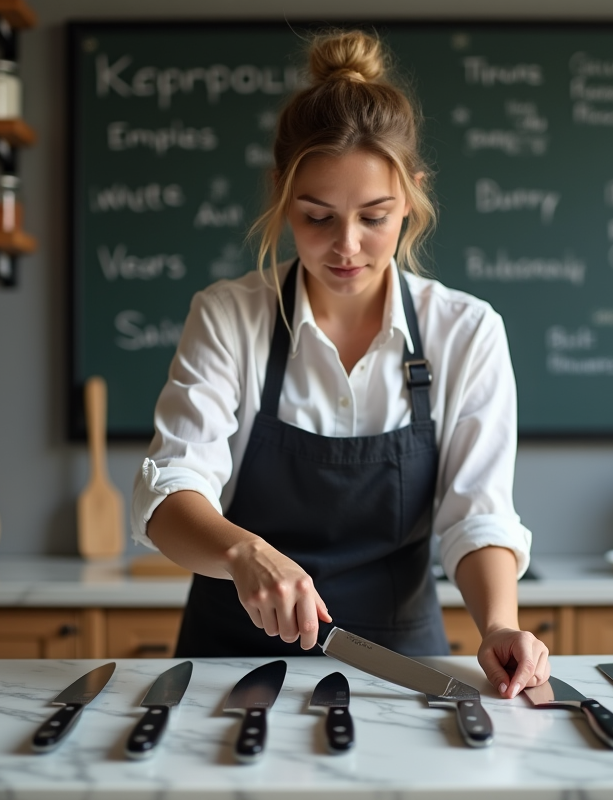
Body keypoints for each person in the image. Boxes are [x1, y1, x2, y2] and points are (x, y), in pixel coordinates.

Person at [131, 29, 549, 699]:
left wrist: (500, 625)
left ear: (412, 196)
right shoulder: (227, 316)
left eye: (374, 216)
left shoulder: (466, 331)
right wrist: (243, 553)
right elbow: (169, 492)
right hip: (229, 667)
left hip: (400, 667)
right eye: (317, 216)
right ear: (280, 194)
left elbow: (479, 515)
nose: (347, 246)